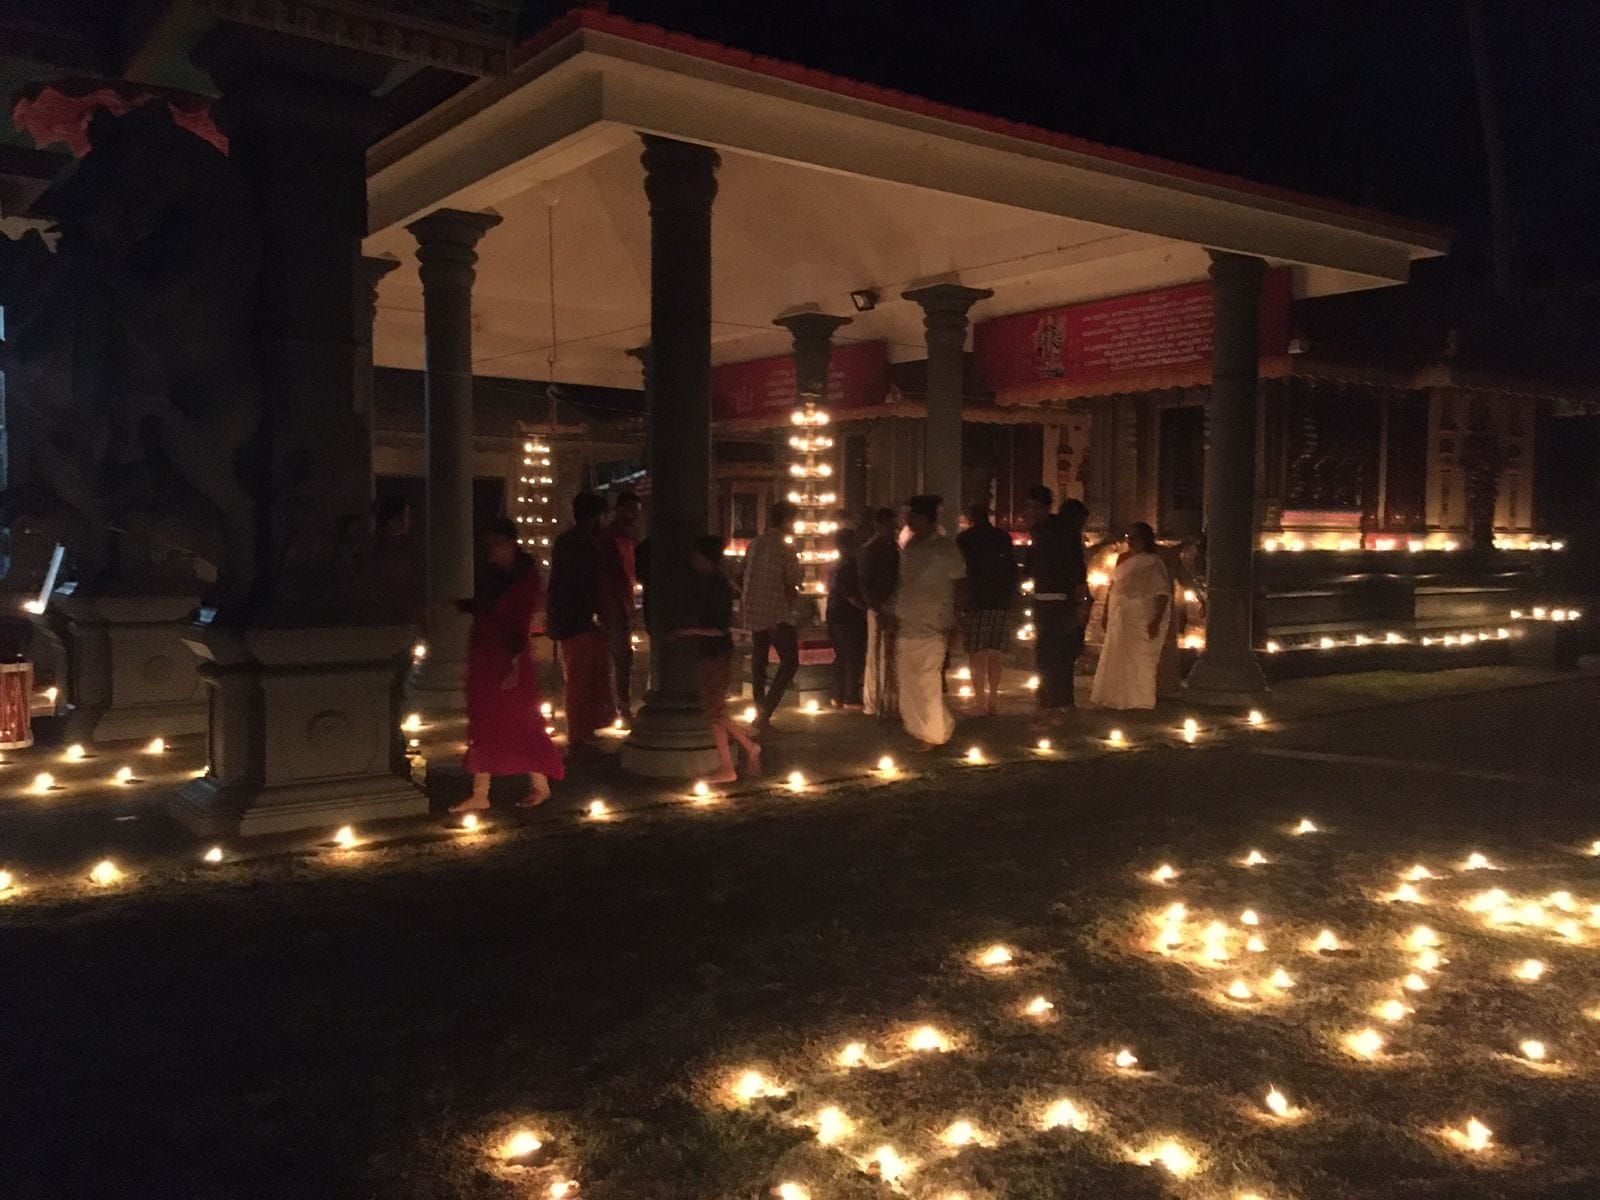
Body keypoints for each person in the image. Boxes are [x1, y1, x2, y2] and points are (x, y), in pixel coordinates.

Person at [453, 519, 563, 813]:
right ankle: (480, 793)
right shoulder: (492, 574)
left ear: (510, 543)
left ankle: (540, 786)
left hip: (508, 656)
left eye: (495, 545)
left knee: (520, 720)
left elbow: (518, 618)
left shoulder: (525, 576)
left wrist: (514, 661)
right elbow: (484, 606)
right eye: (488, 546)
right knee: (484, 719)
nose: (491, 552)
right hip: (485, 653)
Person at [671, 535, 763, 783]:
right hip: (710, 651)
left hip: (716, 653)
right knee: (714, 712)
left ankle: (744, 750)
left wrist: (688, 632)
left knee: (714, 711)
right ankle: (731, 763)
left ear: (705, 557)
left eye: (697, 555)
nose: (693, 560)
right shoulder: (710, 582)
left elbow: (720, 628)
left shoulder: (718, 586)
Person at [891, 495, 966, 749]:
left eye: (913, 517)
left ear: (926, 519)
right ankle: (918, 728)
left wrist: (956, 620)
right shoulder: (910, 546)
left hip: (933, 624)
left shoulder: (945, 548)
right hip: (907, 622)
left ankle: (933, 733)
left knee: (927, 682)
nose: (909, 522)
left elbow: (959, 584)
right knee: (908, 682)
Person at [546, 492, 618, 748]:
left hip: (579, 620)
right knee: (579, 679)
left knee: (591, 676)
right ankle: (578, 733)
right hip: (577, 621)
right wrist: (600, 614)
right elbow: (587, 585)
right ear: (595, 517)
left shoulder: (574, 541)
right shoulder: (581, 544)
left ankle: (587, 727)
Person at [1023, 488, 1090, 726]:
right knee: (1055, 654)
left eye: (1034, 508)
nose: (1029, 513)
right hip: (1047, 599)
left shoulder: (1056, 532)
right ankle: (1059, 703)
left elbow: (1076, 570)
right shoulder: (1047, 532)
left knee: (1053, 655)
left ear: (1046, 507)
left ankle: (1052, 705)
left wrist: (1079, 603)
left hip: (1059, 600)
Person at [1090, 521, 1172, 710]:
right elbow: (1113, 586)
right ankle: (1114, 697)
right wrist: (1105, 611)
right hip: (1119, 613)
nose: (1130, 540)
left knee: (1139, 657)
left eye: (1134, 537)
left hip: (1140, 614)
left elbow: (1161, 592)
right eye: (1128, 537)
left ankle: (1138, 700)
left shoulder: (1153, 562)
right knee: (1116, 652)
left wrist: (1156, 620)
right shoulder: (1123, 558)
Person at [740, 500, 802, 733]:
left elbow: (740, 573)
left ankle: (759, 711)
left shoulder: (756, 543)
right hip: (776, 611)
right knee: (790, 662)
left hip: (755, 610)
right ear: (786, 520)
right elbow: (792, 580)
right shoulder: (784, 546)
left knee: (759, 661)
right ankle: (765, 712)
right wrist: (789, 605)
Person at [955, 502, 1018, 716]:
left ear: (970, 519)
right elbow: (1012, 569)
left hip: (977, 601)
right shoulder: (1002, 538)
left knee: (977, 652)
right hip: (1001, 601)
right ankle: (992, 700)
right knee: (995, 651)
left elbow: (961, 572)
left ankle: (980, 701)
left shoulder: (965, 540)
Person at [599, 490, 642, 720]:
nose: (635, 516)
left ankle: (619, 704)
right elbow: (612, 576)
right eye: (632, 510)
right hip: (612, 604)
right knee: (618, 656)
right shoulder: (610, 537)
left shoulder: (628, 536)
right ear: (620, 509)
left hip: (622, 603)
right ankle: (617, 706)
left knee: (624, 657)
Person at [859, 506, 900, 717]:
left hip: (893, 604)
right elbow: (865, 583)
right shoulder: (871, 549)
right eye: (890, 525)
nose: (893, 528)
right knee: (877, 651)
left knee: (891, 653)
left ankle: (890, 700)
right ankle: (876, 700)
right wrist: (876, 607)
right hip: (878, 606)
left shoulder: (893, 547)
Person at [825, 526, 867, 709]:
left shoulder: (836, 565)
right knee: (853, 655)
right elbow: (851, 595)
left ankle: (837, 695)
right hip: (848, 615)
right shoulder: (849, 565)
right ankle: (850, 697)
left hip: (834, 612)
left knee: (841, 655)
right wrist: (867, 609)